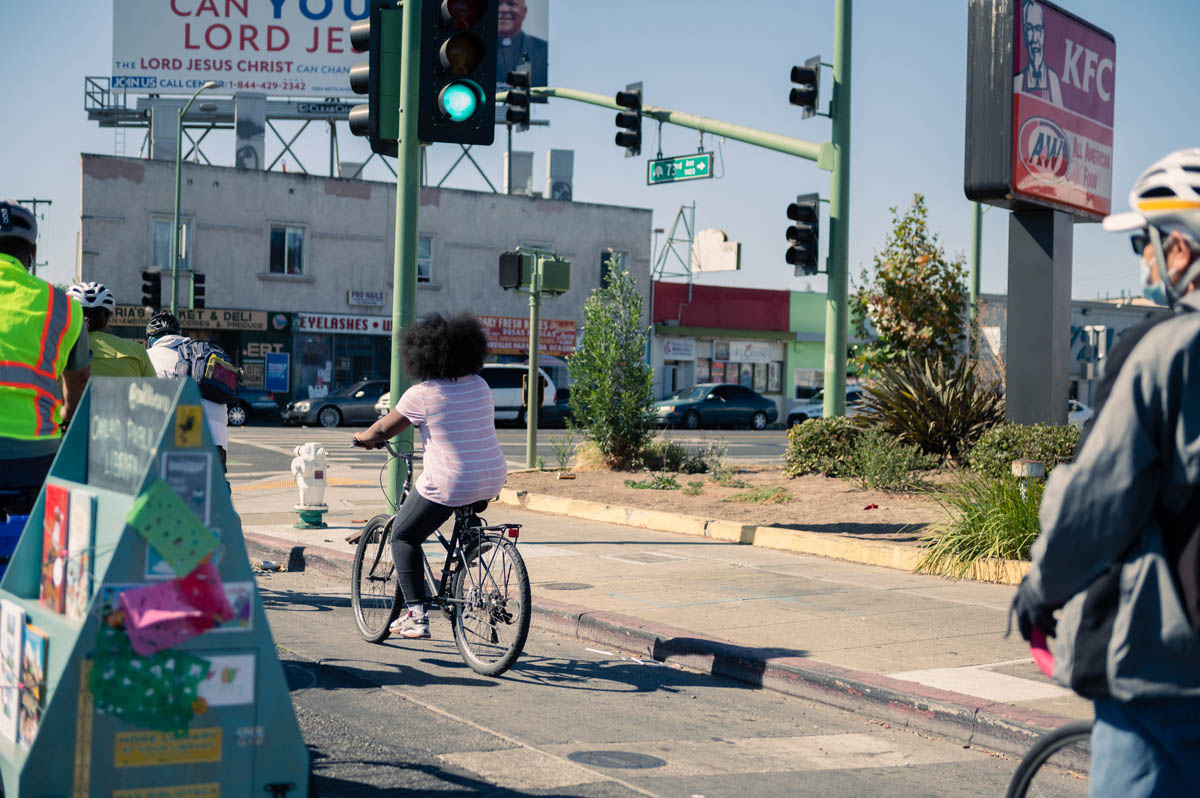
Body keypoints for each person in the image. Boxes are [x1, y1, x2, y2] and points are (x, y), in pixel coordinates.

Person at [1012, 149, 1200, 795]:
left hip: (1167, 673)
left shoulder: (1163, 353)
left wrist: (1041, 588)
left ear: (1178, 251)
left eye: (1143, 246)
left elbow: (1093, 500)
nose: (1144, 264)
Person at [353, 312, 507, 639]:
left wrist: (363, 439)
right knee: (456, 515)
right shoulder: (480, 384)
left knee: (403, 536)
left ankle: (416, 615)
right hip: (492, 476)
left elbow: (383, 428)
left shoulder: (421, 394)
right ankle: (464, 567)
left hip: (450, 482)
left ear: (419, 355)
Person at [0, 201, 91, 511]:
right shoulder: (64, 308)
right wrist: (65, 418)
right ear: (33, 253)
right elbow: (78, 386)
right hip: (36, 458)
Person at [145, 311, 231, 469]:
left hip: (185, 434)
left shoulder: (148, 357)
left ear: (151, 338)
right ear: (179, 334)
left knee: (175, 486)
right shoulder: (199, 355)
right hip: (218, 436)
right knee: (214, 488)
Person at [65, 282, 155, 378]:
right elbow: (154, 390)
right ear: (109, 317)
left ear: (71, 316)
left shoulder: (59, 349)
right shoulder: (137, 351)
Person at [1013, 0, 1063, 107]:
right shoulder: (1018, 81)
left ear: (1043, 34)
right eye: (1029, 28)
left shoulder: (1053, 80)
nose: (1035, 38)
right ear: (1024, 34)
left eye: (1038, 29)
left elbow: (1061, 121)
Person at [496, 0, 547, 92]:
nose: (503, 9)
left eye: (511, 4)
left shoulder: (544, 50)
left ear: (524, 11)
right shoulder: (475, 49)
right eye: (497, 4)